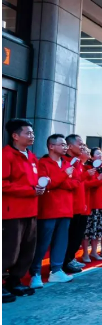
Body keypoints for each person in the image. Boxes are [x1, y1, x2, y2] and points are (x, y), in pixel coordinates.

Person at [29, 134, 80, 288]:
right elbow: (45, 184)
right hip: (49, 209)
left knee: (61, 241)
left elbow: (76, 183)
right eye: (62, 144)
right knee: (43, 243)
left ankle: (56, 270)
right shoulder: (43, 163)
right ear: (51, 146)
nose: (65, 147)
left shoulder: (67, 163)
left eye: (65, 145)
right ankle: (35, 273)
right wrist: (63, 176)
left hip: (66, 208)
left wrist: (57, 181)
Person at [2, 119, 44, 303]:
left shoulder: (31, 156)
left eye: (32, 133)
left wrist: (40, 187)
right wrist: (29, 190)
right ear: (15, 136)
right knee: (9, 249)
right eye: (28, 133)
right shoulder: (6, 155)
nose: (32, 136)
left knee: (27, 249)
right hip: (12, 212)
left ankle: (15, 281)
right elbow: (3, 183)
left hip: (31, 210)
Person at [62, 134, 92, 274]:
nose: (82, 147)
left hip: (80, 206)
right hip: (69, 206)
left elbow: (79, 183)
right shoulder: (65, 162)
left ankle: (70, 259)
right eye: (80, 144)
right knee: (68, 236)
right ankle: (64, 262)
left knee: (77, 235)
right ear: (70, 146)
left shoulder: (78, 163)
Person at [81, 148, 102, 262]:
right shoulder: (87, 168)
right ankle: (85, 253)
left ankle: (94, 252)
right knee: (88, 230)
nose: (100, 156)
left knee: (98, 230)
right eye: (97, 154)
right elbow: (91, 184)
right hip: (92, 203)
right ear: (91, 157)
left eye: (101, 154)